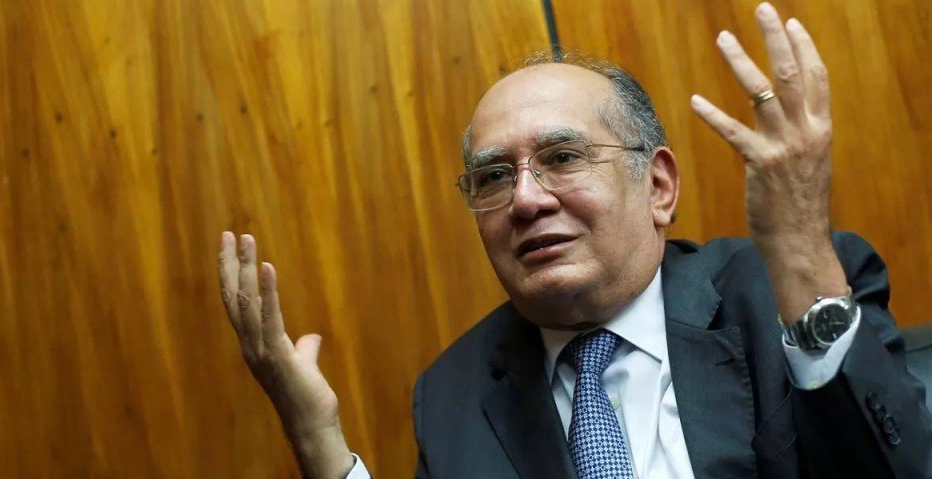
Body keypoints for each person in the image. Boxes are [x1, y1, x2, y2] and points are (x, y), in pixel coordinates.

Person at [217, 3, 932, 478]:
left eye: (562, 157)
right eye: (493, 176)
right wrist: (320, 443)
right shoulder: (456, 392)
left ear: (658, 187)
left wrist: (801, 252)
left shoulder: (774, 299)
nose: (526, 199)